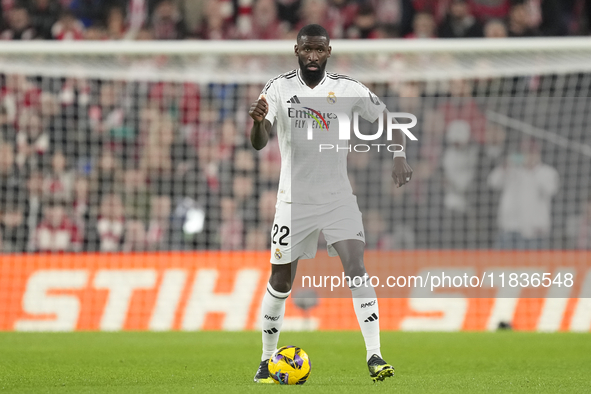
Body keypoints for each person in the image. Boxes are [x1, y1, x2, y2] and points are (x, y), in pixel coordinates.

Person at [248, 24, 412, 383]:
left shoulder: (348, 88)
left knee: (356, 266)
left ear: (328, 51)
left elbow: (388, 118)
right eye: (306, 49)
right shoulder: (278, 88)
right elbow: (259, 142)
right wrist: (259, 123)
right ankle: (265, 358)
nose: (312, 56)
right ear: (296, 50)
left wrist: (398, 154)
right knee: (281, 280)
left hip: (338, 199)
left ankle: (375, 356)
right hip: (294, 202)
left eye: (318, 50)